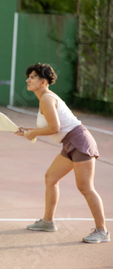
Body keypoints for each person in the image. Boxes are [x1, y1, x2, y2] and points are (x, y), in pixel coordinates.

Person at [16, 63, 109, 244]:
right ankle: (48, 222)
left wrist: (33, 133)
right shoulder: (44, 98)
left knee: (85, 187)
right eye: (28, 76)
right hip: (69, 143)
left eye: (33, 77)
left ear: (43, 82)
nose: (28, 80)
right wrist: (28, 130)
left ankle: (102, 231)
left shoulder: (47, 99)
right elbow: (51, 127)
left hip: (80, 141)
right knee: (51, 178)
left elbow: (55, 128)